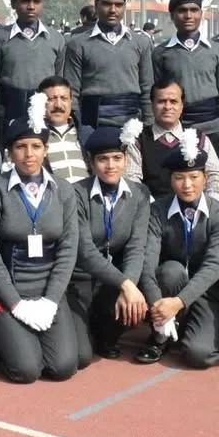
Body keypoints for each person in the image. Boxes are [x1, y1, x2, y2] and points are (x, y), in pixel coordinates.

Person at [0, 95, 80, 383]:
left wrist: (51, 300)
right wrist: (16, 304)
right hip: (10, 293)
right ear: (10, 152)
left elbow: (69, 248)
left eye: (36, 146)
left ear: (46, 150)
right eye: (20, 147)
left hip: (48, 292)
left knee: (63, 367)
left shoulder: (63, 191)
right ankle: (2, 341)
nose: (29, 154)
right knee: (27, 370)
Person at [135, 136, 219, 367]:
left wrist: (179, 303)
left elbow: (214, 267)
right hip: (168, 288)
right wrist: (157, 307)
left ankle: (206, 322)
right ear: (171, 180)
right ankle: (159, 335)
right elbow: (147, 263)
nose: (187, 185)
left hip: (205, 292)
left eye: (193, 177)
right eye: (179, 177)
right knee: (171, 270)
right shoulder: (156, 211)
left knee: (199, 355)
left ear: (205, 178)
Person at [69, 126, 150, 365]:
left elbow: (137, 247)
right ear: (90, 162)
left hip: (112, 281)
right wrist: (125, 284)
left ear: (126, 160)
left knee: (134, 304)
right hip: (79, 280)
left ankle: (107, 336)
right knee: (81, 356)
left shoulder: (139, 194)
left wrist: (131, 287)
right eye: (103, 159)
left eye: (117, 158)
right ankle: (88, 332)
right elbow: (84, 250)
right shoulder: (75, 193)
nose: (111, 165)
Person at [152, 0, 219, 161]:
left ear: (201, 14)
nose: (188, 15)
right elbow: (155, 96)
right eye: (182, 11)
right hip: (176, 130)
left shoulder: (217, 50)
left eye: (194, 10)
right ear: (172, 16)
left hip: (212, 131)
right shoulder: (161, 53)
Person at [0, 0, 66, 145]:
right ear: (14, 4)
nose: (31, 6)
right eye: (25, 1)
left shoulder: (56, 39)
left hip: (47, 115)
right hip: (10, 114)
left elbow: (61, 81)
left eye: (36, 1)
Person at [65, 0, 154, 128]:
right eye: (107, 4)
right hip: (92, 124)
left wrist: (148, 125)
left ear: (124, 7)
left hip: (132, 125)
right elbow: (72, 92)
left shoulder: (141, 42)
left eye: (118, 5)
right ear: (96, 5)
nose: (113, 10)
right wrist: (78, 126)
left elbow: (147, 88)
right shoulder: (78, 43)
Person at [129, 79, 219, 203]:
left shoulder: (199, 138)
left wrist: (209, 206)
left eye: (173, 101)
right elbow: (132, 181)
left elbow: (215, 177)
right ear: (152, 105)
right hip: (152, 211)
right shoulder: (138, 140)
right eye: (161, 101)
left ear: (182, 106)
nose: (167, 107)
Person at [39, 75, 93, 184]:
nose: (58, 105)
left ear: (71, 101)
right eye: (51, 99)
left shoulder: (88, 134)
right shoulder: (31, 137)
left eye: (64, 98)